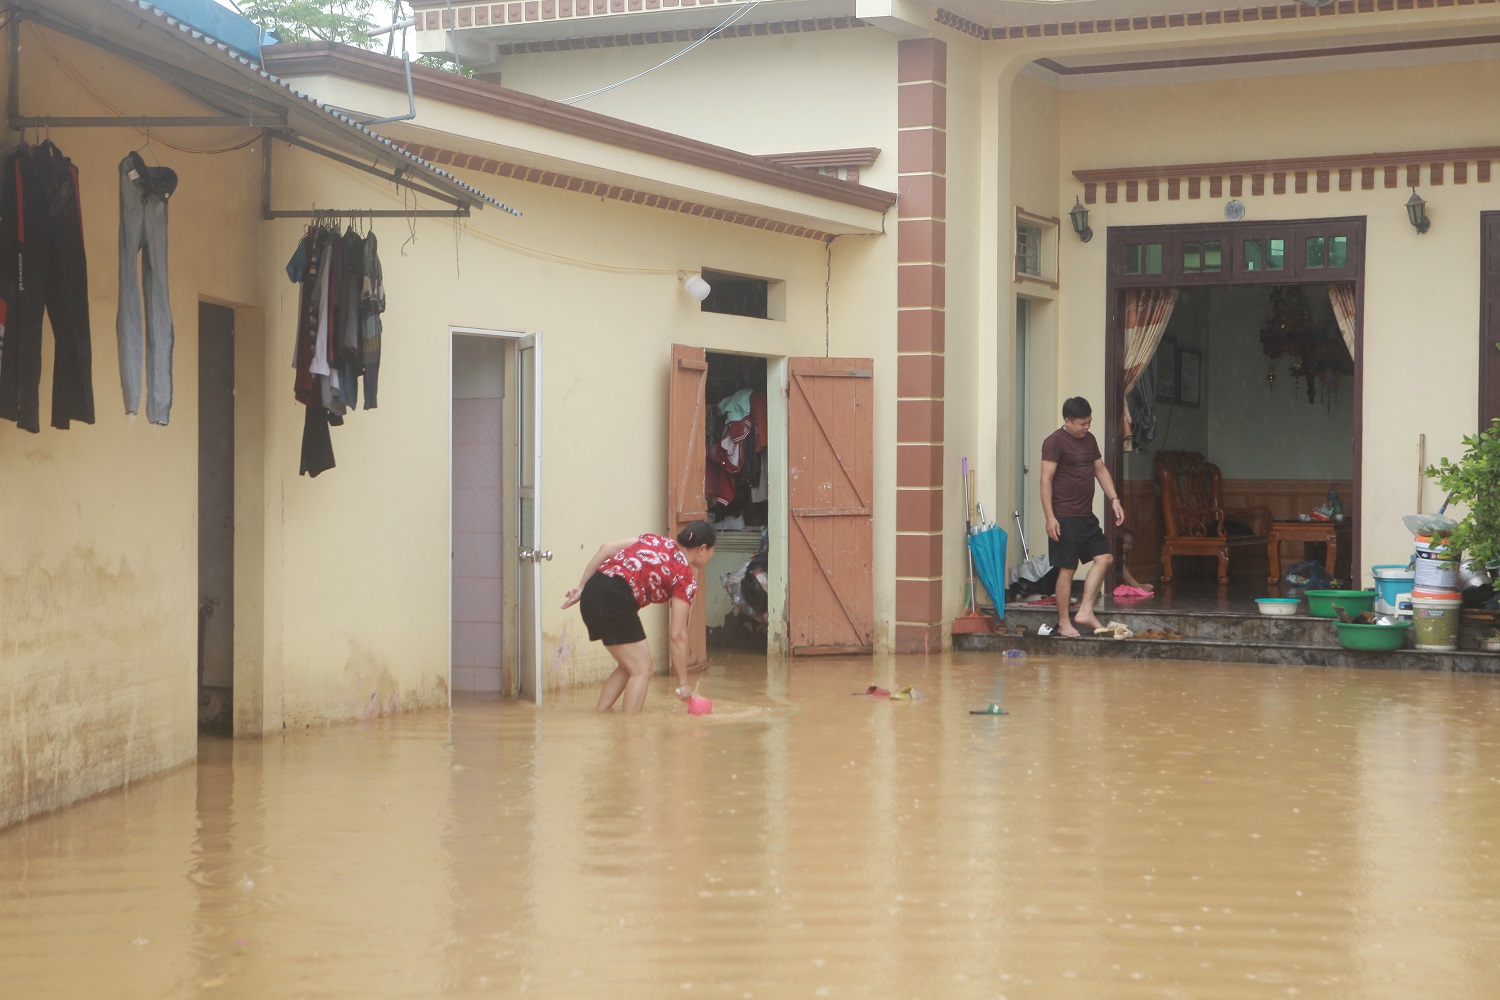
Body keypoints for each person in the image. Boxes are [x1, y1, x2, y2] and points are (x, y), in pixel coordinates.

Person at [562, 521, 717, 713]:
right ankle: (631, 734)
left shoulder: (654, 540)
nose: (711, 556)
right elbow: (677, 635)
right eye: (712, 551)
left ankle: (600, 716)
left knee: (629, 666)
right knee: (642, 670)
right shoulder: (684, 576)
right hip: (615, 599)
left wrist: (582, 587)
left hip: (592, 593)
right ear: (702, 549)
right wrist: (683, 683)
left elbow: (606, 548)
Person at [1039, 397, 1125, 637]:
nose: (1086, 427)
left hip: (1086, 516)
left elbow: (1100, 469)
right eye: (1081, 423)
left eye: (1089, 421)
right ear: (1067, 421)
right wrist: (1050, 517)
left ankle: (1085, 611)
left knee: (1105, 557)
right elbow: (1045, 480)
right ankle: (1065, 622)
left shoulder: (1089, 440)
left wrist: (1114, 499)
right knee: (1067, 569)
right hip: (1064, 516)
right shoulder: (1054, 442)